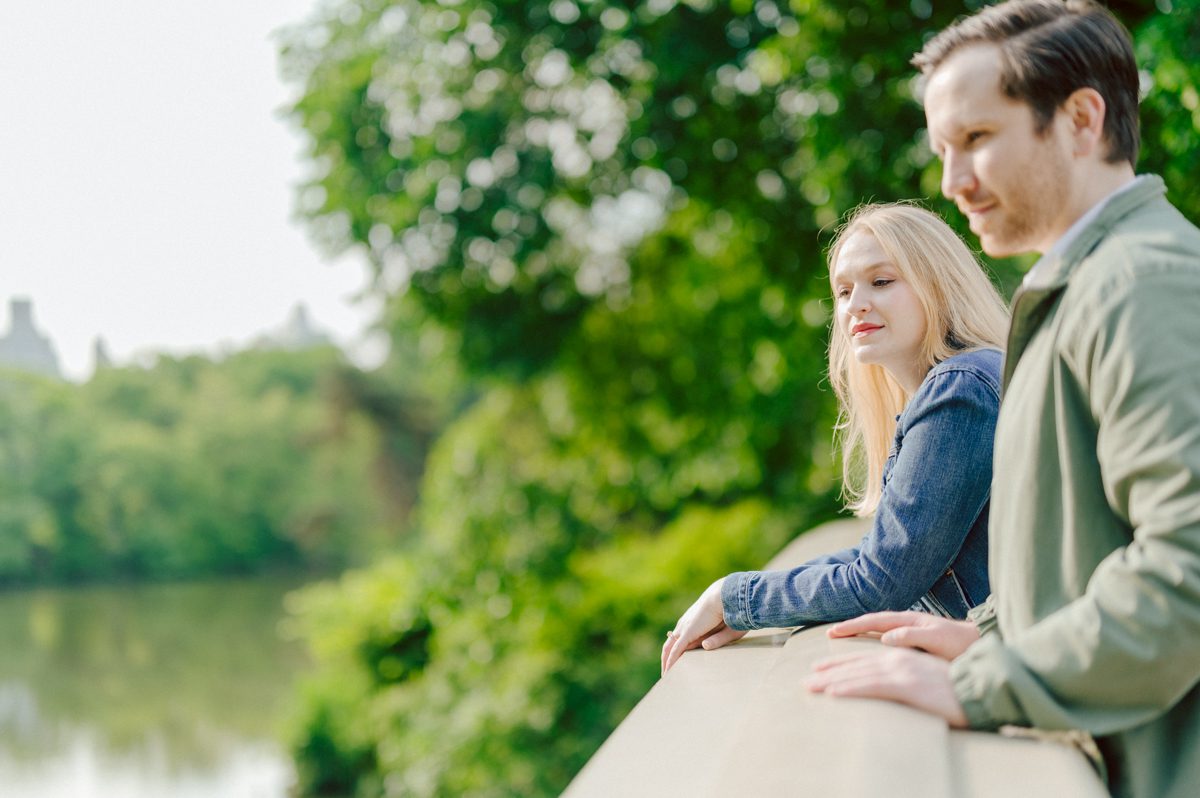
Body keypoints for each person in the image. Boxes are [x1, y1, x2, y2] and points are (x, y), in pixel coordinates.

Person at [805, 3, 1200, 797]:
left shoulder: (1140, 286)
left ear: (1081, 120)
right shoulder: (1083, 287)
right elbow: (1092, 553)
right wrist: (986, 632)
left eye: (977, 138)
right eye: (942, 151)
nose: (951, 182)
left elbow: (1186, 567)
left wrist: (986, 682)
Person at [661, 202, 1009, 675]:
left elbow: (880, 583)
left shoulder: (960, 391)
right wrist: (746, 597)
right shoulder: (965, 381)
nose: (855, 304)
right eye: (843, 291)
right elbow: (881, 555)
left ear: (938, 285)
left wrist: (736, 597)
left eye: (881, 281)